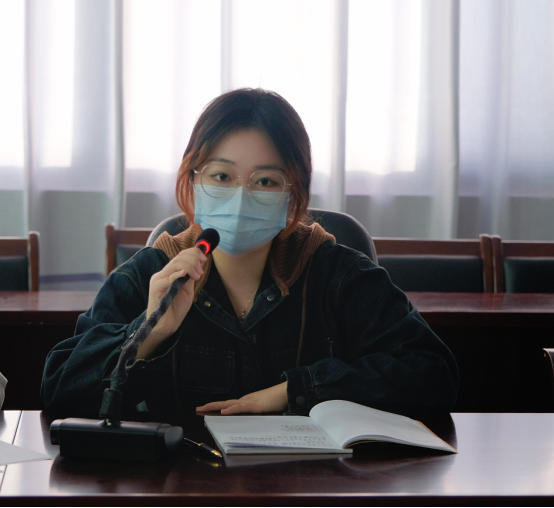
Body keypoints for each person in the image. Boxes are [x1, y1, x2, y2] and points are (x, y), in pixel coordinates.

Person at [41, 88, 459, 418]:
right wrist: (149, 333)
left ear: (294, 197)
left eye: (265, 182)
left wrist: (295, 390)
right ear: (193, 182)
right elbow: (58, 389)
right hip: (184, 485)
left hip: (309, 483)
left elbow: (434, 373)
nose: (240, 198)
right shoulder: (152, 273)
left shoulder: (336, 273)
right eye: (222, 176)